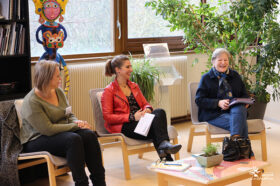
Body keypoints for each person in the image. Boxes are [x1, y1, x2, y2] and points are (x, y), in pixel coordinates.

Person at [20, 60, 106, 186]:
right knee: (73, 139)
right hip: (36, 139)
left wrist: (79, 122)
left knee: (89, 135)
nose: (60, 78)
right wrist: (75, 126)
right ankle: (81, 183)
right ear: (47, 78)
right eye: (57, 76)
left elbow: (68, 114)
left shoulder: (58, 91)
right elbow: (47, 129)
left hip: (60, 134)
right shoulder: (32, 101)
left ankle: (100, 182)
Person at [101, 55, 182, 161]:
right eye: (127, 67)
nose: (131, 69)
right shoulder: (109, 90)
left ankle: (164, 149)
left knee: (159, 112)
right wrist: (132, 117)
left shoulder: (134, 86)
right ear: (118, 70)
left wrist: (147, 109)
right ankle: (166, 155)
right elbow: (108, 117)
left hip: (141, 122)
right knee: (156, 128)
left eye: (130, 66)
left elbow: (145, 103)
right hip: (125, 126)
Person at [195, 48, 250, 139]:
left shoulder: (235, 75)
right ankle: (246, 151)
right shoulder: (206, 78)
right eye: (220, 60)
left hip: (235, 111)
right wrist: (218, 103)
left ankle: (236, 145)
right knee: (240, 123)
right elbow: (199, 100)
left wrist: (246, 103)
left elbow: (244, 95)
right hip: (214, 114)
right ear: (213, 61)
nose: (223, 63)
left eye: (226, 60)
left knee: (239, 109)